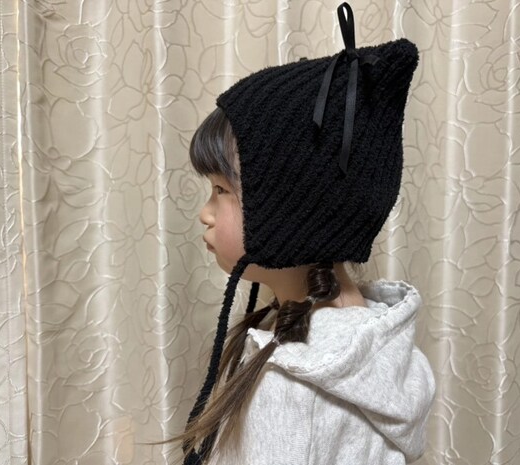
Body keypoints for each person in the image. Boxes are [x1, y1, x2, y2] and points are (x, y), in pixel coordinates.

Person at [179, 3, 436, 464]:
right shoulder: (374, 345)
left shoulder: (291, 388)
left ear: (291, 207)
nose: (206, 214)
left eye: (220, 190)